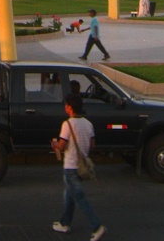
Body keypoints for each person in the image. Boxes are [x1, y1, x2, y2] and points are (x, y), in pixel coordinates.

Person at [51, 94, 106, 240]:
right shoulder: (88, 124)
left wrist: (55, 144)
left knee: (79, 198)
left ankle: (97, 226)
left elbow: (62, 145)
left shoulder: (67, 124)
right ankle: (64, 223)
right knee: (69, 195)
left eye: (66, 105)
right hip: (82, 167)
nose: (65, 107)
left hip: (70, 166)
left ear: (70, 107)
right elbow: (92, 145)